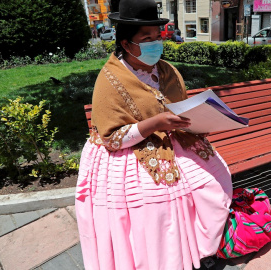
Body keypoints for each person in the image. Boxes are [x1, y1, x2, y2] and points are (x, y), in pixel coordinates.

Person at [75, 0, 233, 269]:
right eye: (145, 38)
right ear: (126, 44)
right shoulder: (109, 80)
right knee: (157, 206)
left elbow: (179, 106)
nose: (154, 44)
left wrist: (201, 119)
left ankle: (198, 248)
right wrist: (155, 122)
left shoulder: (166, 69)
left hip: (175, 141)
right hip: (129, 153)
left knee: (214, 182)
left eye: (157, 37)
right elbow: (111, 139)